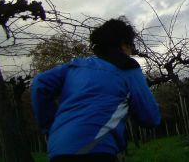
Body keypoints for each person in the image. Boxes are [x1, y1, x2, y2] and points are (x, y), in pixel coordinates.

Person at [31, 17, 161, 162]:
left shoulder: (75, 65)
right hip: (96, 149)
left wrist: (49, 126)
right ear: (124, 45)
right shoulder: (127, 68)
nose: (131, 52)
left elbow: (39, 84)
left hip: (57, 150)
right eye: (131, 46)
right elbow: (150, 118)